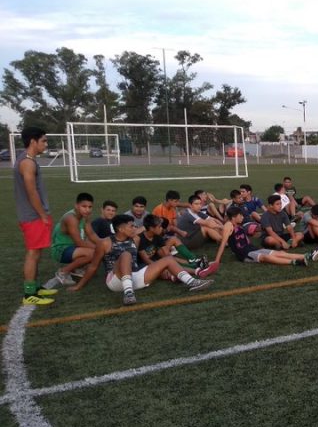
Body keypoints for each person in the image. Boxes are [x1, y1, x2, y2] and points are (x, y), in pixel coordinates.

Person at [70, 214, 214, 305]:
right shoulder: (105, 243)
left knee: (168, 260)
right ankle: (128, 294)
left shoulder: (136, 239)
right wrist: (79, 286)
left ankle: (192, 282)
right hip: (115, 281)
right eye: (131, 226)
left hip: (134, 277)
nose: (134, 228)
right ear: (120, 229)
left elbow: (146, 230)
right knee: (126, 255)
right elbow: (93, 266)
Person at [14, 126, 58, 305]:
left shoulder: (29, 160)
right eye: (43, 141)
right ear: (33, 141)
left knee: (37, 252)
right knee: (33, 253)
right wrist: (42, 215)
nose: (46, 144)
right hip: (33, 216)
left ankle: (35, 287)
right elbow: (31, 191)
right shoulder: (27, 162)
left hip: (34, 215)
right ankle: (29, 294)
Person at [210, 206, 318, 268]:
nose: (242, 217)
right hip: (244, 254)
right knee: (265, 257)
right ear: (234, 217)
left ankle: (307, 255)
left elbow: (244, 239)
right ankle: (295, 262)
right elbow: (223, 243)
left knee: (279, 253)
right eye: (240, 215)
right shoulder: (229, 225)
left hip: (251, 248)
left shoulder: (237, 225)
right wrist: (216, 261)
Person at [44, 192, 100, 289]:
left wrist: (104, 244)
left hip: (73, 247)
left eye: (90, 207)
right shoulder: (71, 218)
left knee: (95, 246)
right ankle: (63, 272)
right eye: (84, 206)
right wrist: (99, 248)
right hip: (61, 249)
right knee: (93, 253)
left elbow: (91, 234)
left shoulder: (85, 216)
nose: (87, 210)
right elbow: (79, 242)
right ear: (76, 206)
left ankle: (76, 269)